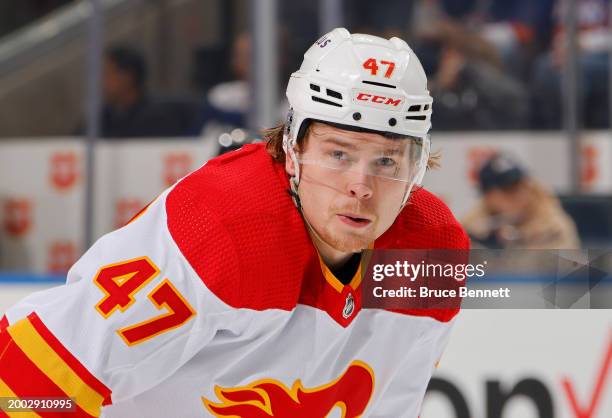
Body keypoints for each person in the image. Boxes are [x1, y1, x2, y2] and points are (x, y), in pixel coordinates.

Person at [0, 28, 469, 417]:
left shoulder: (431, 257)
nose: (361, 186)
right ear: (294, 149)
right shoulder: (221, 228)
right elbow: (28, 383)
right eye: (338, 153)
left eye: (387, 161)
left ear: (417, 169)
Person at [463, 153, 580, 249]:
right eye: (509, 190)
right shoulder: (471, 228)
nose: (521, 194)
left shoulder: (553, 225)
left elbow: (563, 271)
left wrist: (516, 240)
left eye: (524, 186)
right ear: (489, 197)